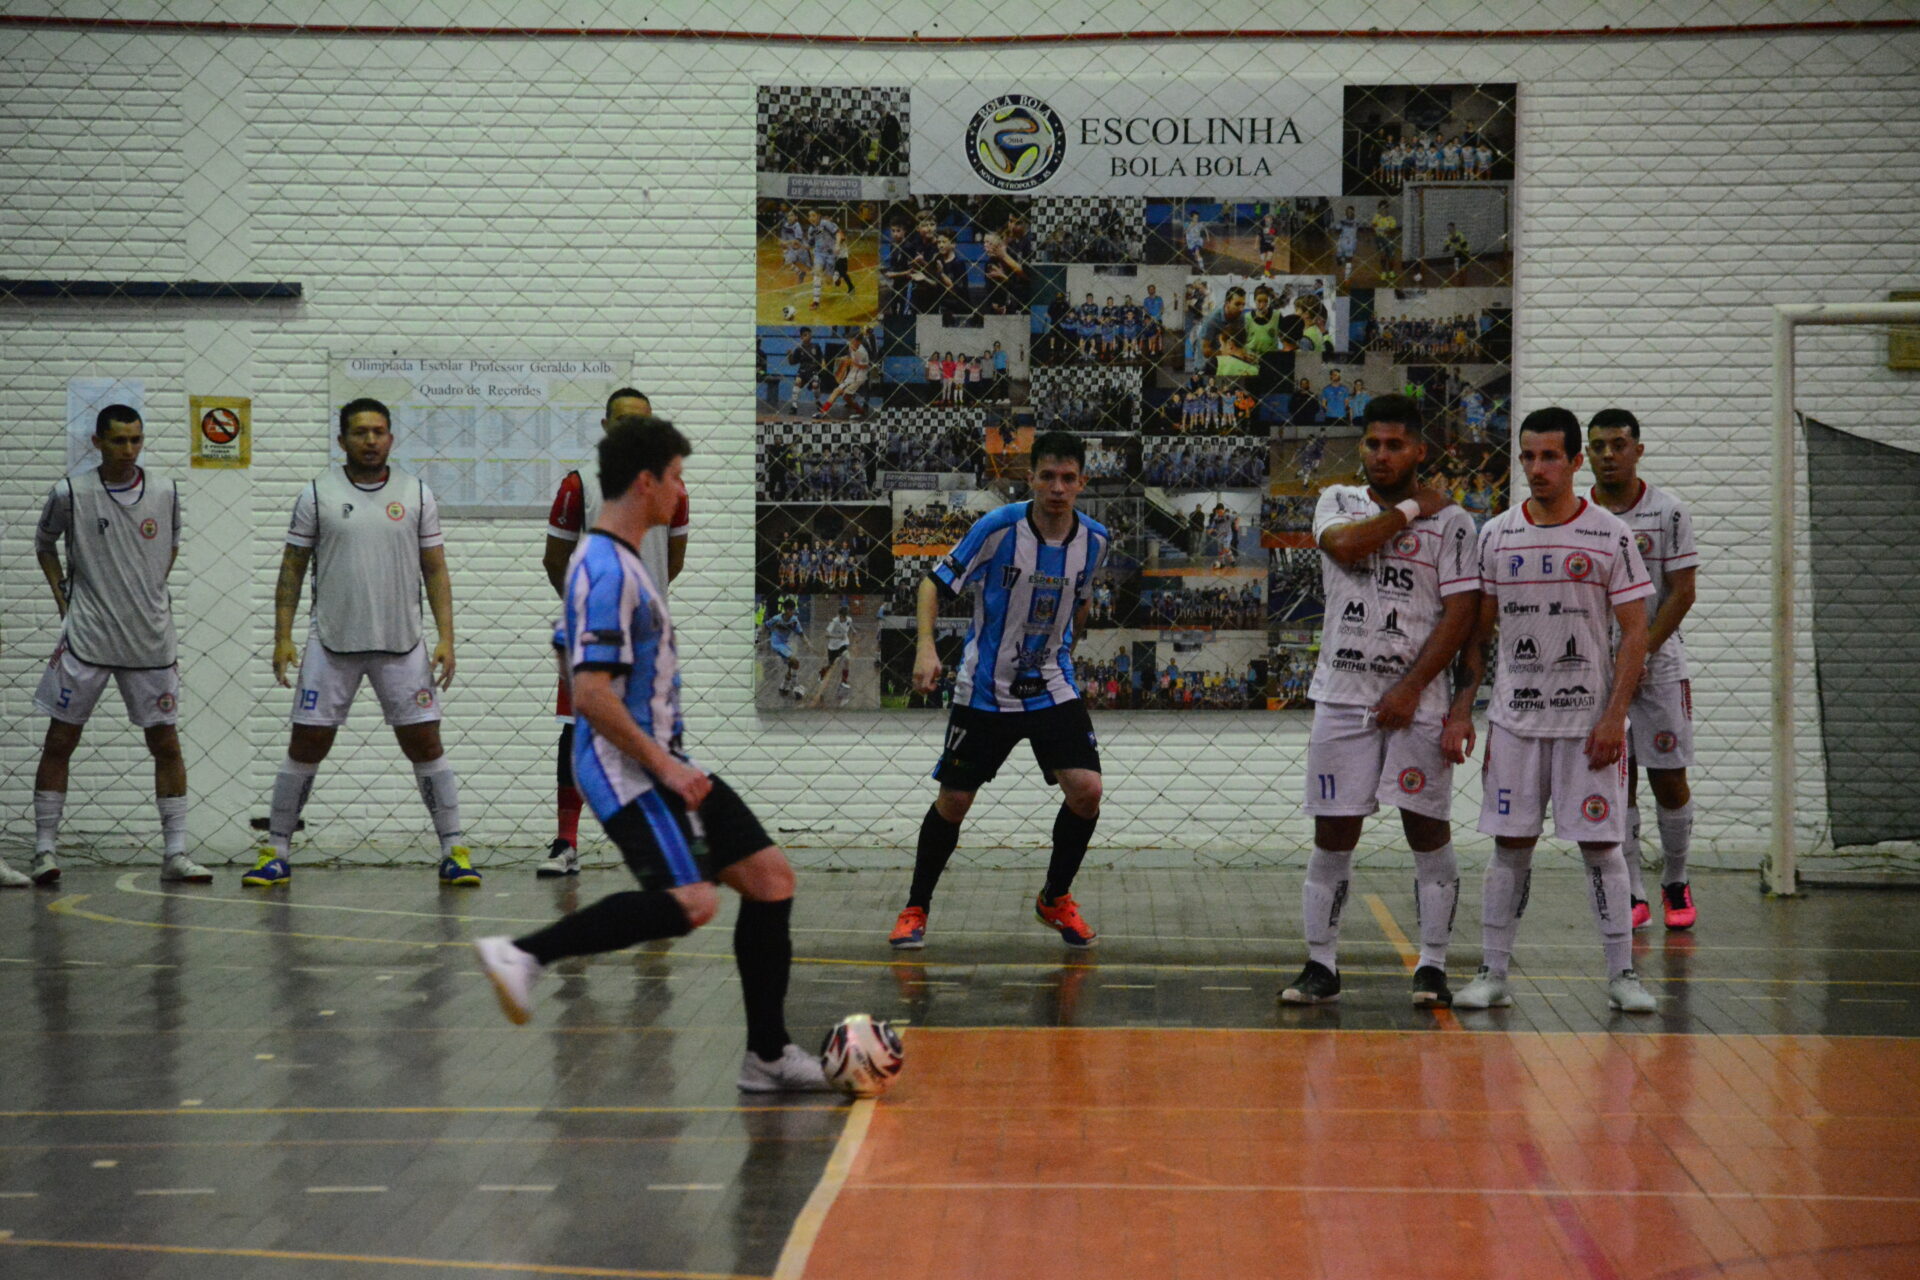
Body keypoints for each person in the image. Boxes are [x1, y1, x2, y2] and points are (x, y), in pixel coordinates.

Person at [474, 417, 831, 1093]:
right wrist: (666, 766)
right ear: (647, 482)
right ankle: (521, 954)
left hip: (662, 757)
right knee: (690, 901)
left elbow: (570, 643)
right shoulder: (607, 567)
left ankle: (767, 1055)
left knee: (769, 878)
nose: (681, 489)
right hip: (629, 766)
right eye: (676, 475)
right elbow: (591, 696)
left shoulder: (618, 561)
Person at [1443, 408, 1657, 1013]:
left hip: (1587, 726)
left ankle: (1623, 975)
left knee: (1601, 848)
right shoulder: (1497, 535)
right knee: (1511, 845)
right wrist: (1463, 709)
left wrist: (1615, 716)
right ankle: (1493, 972)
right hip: (1515, 723)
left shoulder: (1609, 535)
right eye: (1528, 457)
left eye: (1550, 457)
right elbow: (1476, 635)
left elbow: (1636, 633)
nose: (1538, 469)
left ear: (1574, 462)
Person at [1280, 396, 1478, 1006]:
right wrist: (1417, 507)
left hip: (1418, 702)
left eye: (1395, 445)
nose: (1382, 455)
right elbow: (1346, 548)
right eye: (1373, 444)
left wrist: (1413, 689)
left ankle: (1434, 966)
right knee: (1333, 832)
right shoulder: (1340, 500)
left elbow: (1462, 614)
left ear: (1420, 450)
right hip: (1343, 696)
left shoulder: (1457, 525)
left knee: (1428, 828)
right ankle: (1321, 965)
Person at [888, 432, 1111, 951]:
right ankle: (915, 907)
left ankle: (1055, 898)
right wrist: (926, 648)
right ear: (1030, 478)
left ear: (1082, 482)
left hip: (1052, 685)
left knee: (1088, 790)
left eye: (1068, 478)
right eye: (1047, 477)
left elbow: (1080, 600)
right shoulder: (998, 528)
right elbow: (932, 583)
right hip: (987, 688)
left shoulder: (1094, 540)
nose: (1057, 488)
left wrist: (1068, 644)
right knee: (955, 800)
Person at [251, 398, 474, 887]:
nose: (370, 441)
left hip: (403, 644)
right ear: (341, 440)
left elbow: (435, 570)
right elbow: (292, 568)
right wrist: (282, 636)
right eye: (359, 432)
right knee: (306, 742)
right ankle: (276, 849)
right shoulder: (318, 493)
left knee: (425, 742)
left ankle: (454, 848)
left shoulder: (416, 493)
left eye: (378, 432)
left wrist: (446, 638)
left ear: (391, 438)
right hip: (332, 644)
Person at [16, 405, 209, 888]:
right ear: (97, 442)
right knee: (61, 740)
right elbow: (44, 545)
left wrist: (141, 597)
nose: (128, 450)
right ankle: (43, 851)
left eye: (136, 440)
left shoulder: (166, 492)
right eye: (119, 441)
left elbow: (170, 548)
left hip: (149, 642)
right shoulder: (70, 492)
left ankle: (176, 852)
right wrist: (66, 600)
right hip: (88, 638)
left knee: (164, 741)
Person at [541, 387, 688, 878]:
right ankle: (566, 842)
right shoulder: (579, 484)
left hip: (647, 639)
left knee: (656, 736)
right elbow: (554, 559)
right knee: (577, 731)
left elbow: (674, 562)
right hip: (592, 638)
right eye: (623, 421)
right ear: (606, 426)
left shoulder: (674, 489)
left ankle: (661, 846)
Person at [1587, 408, 1701, 930]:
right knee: (1618, 781)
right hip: (1597, 674)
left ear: (1638, 449)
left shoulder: (1668, 511)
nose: (1607, 454)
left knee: (1668, 779)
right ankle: (1632, 892)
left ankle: (1675, 881)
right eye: (1597, 446)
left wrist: (1644, 651)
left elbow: (1683, 591)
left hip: (1657, 667)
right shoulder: (1578, 513)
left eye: (1617, 444)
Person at [765, 601, 806, 700]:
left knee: (791, 666)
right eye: (792, 610)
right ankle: (795, 686)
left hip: (785, 644)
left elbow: (801, 633)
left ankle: (783, 686)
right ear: (787, 610)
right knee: (795, 662)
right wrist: (756, 638)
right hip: (777, 644)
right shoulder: (776, 619)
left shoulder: (794, 620)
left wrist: (808, 644)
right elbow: (766, 625)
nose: (794, 611)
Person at [819, 604, 854, 705]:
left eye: (845, 615)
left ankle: (843, 682)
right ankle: (822, 672)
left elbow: (849, 625)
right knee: (831, 666)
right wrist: (838, 636)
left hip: (843, 644)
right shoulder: (834, 622)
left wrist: (854, 630)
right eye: (842, 616)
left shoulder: (849, 620)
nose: (843, 617)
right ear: (839, 615)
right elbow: (826, 634)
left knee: (847, 659)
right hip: (833, 647)